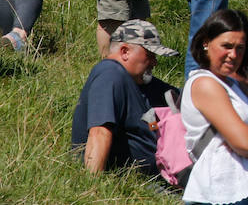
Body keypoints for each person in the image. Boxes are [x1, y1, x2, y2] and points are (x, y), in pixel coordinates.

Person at [182, 9, 248, 205]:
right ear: (206, 43)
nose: (233, 55)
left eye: (240, 48)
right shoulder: (205, 84)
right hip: (220, 192)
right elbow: (246, 144)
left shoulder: (235, 86)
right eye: (227, 46)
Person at [71, 19, 177, 175]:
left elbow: (185, 97)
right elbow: (100, 132)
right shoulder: (110, 74)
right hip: (136, 186)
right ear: (125, 51)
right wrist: (92, 188)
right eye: (149, 55)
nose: (154, 62)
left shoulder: (136, 80)